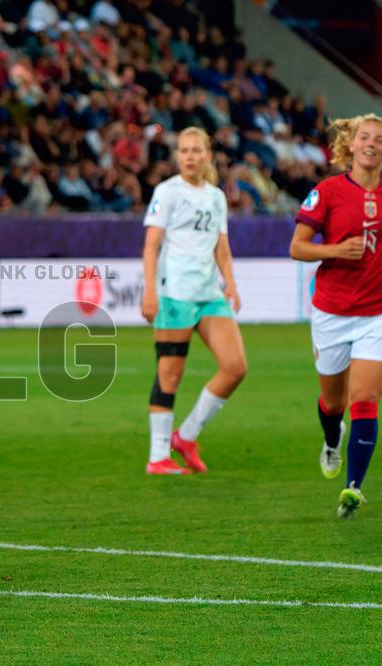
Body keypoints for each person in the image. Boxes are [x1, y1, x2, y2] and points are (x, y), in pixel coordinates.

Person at [289, 113, 382, 518]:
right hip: (332, 310)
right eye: (365, 137)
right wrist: (333, 251)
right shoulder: (327, 192)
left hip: (381, 310)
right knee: (332, 403)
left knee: (364, 397)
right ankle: (332, 441)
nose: (371, 144)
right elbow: (297, 247)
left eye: (380, 140)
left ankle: (353, 487)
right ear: (352, 143)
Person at [140, 127, 247, 475]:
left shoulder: (216, 197)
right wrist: (150, 291)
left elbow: (223, 248)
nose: (189, 156)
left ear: (207, 154)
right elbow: (151, 244)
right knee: (169, 375)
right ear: (177, 156)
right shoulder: (167, 192)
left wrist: (230, 284)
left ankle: (186, 436)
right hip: (175, 294)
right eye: (183, 150)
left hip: (208, 295)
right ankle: (158, 457)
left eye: (195, 150)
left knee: (235, 368)